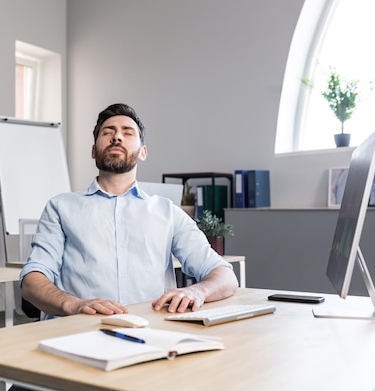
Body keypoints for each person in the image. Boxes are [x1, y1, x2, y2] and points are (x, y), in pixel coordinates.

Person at [20, 103, 238, 318]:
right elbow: (32, 281)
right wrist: (75, 305)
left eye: (127, 132)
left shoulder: (167, 212)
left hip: (149, 331)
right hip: (78, 331)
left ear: (143, 152)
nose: (117, 137)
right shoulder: (60, 207)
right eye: (108, 132)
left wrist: (197, 291)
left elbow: (224, 275)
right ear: (94, 151)